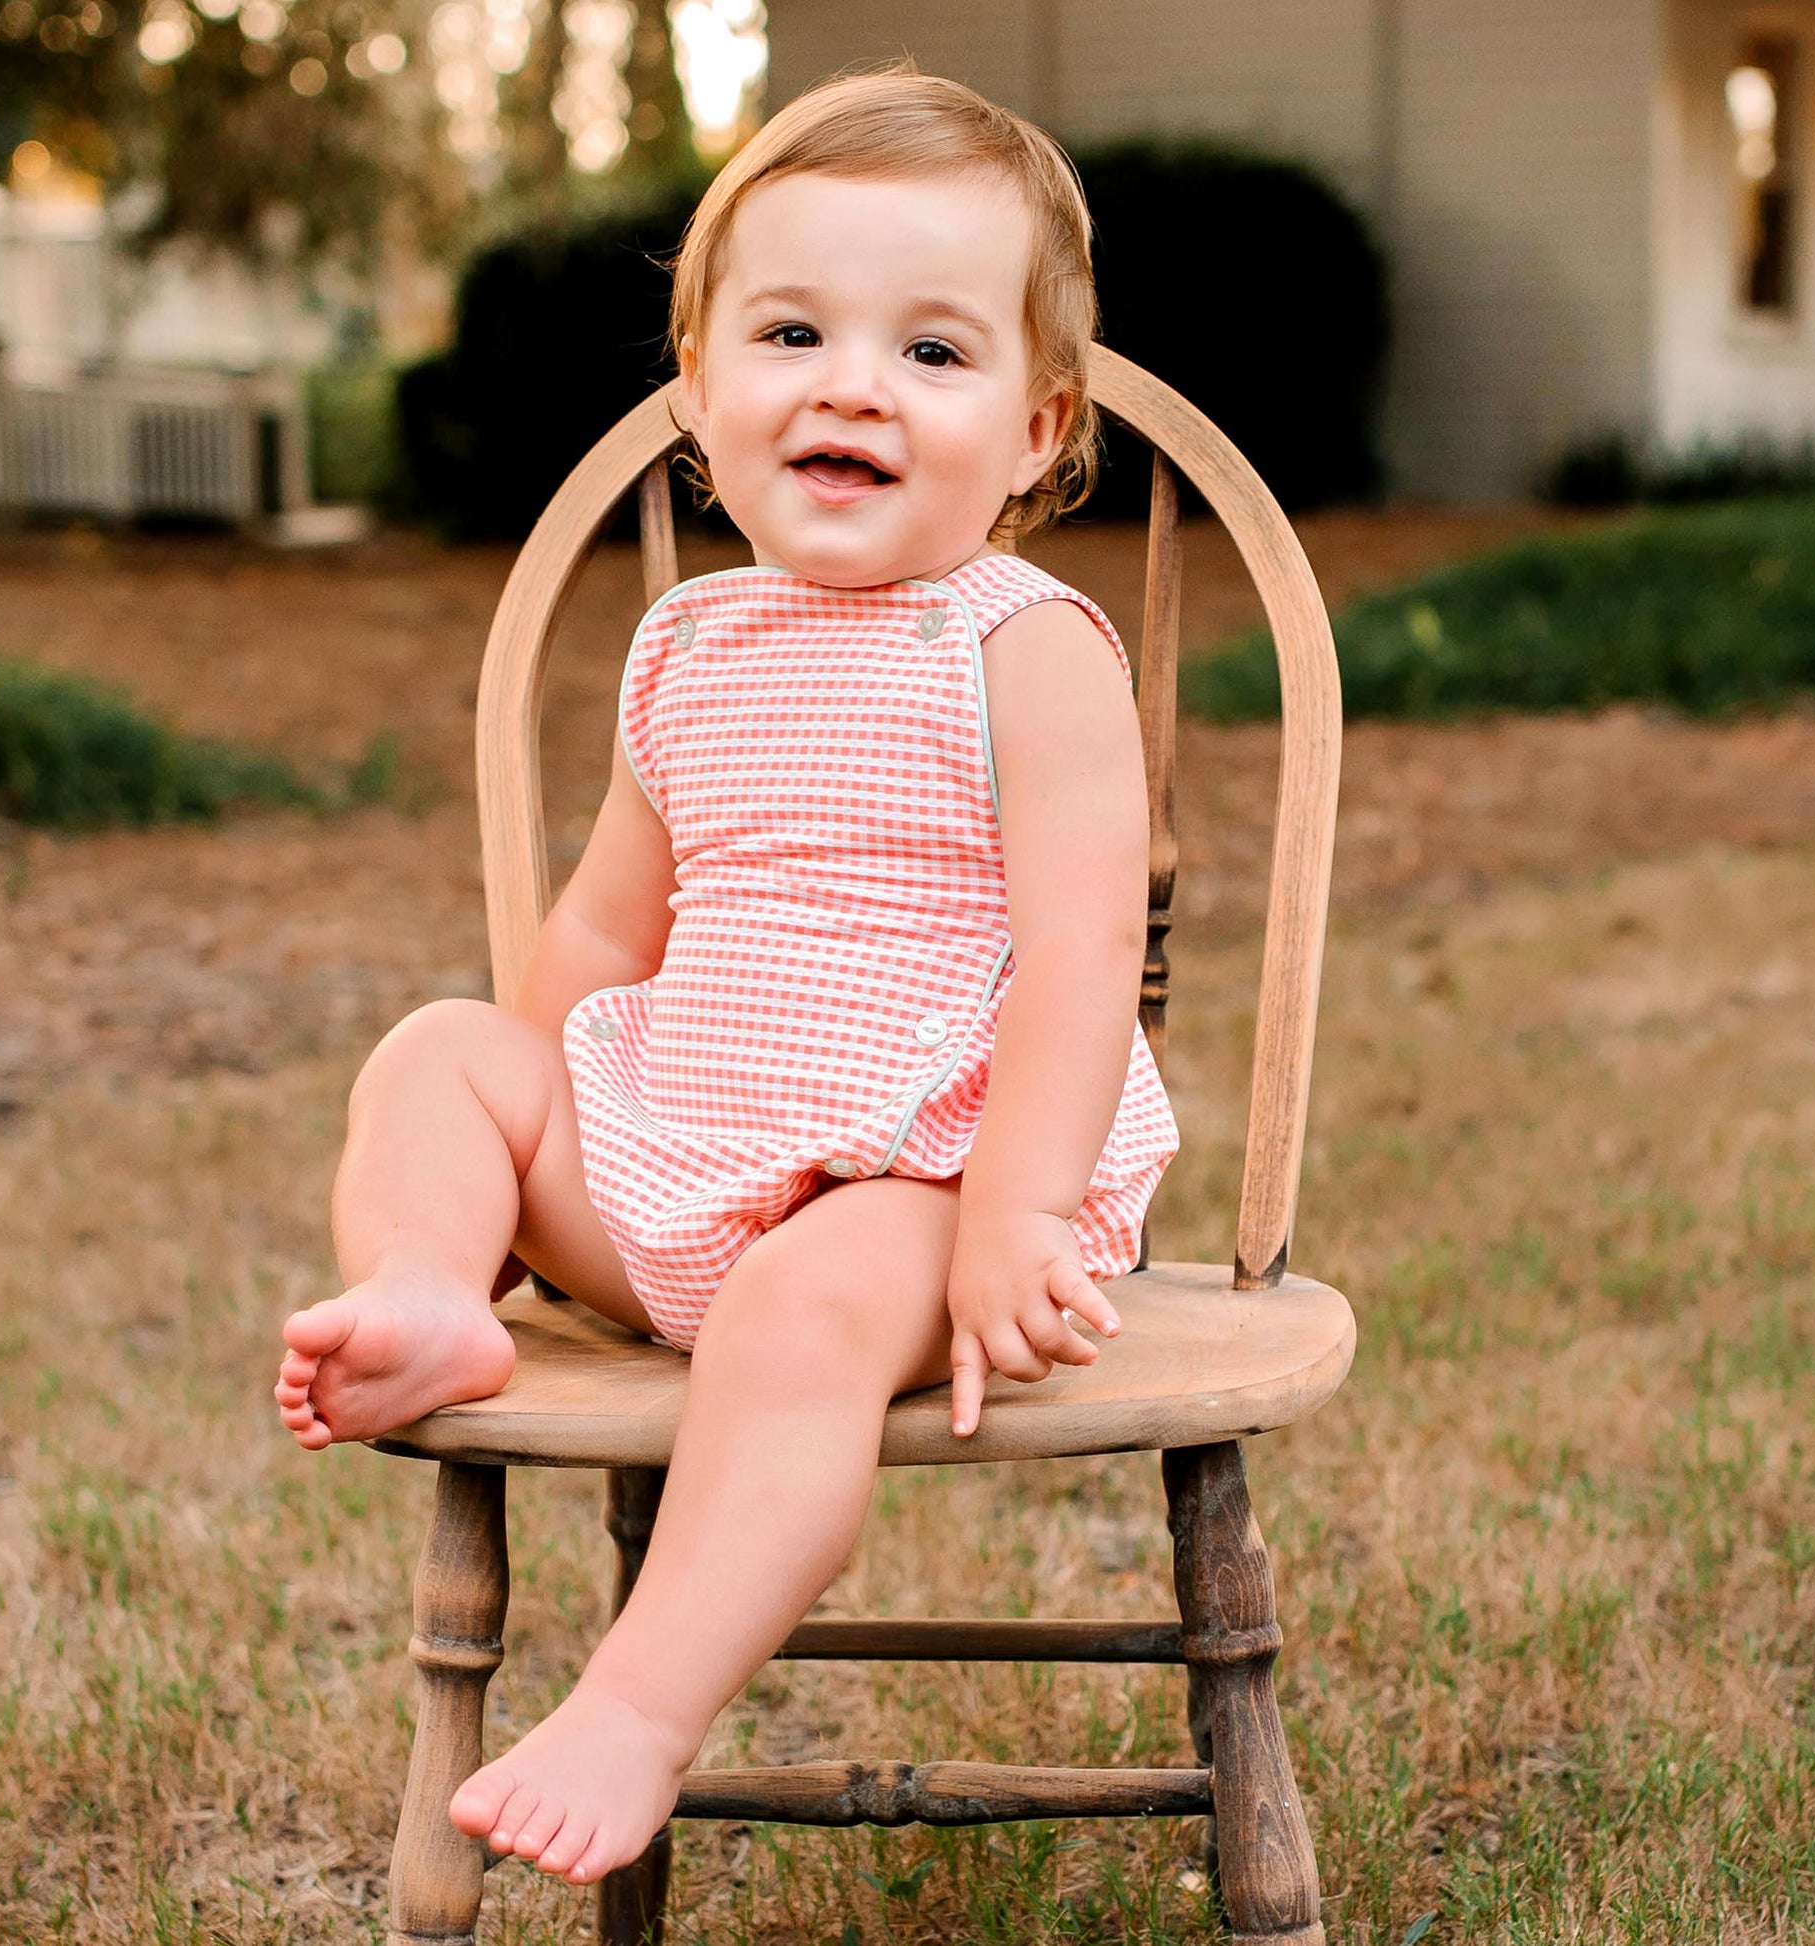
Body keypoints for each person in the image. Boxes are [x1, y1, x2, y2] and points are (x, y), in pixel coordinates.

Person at [272, 67, 1179, 1887]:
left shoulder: (1024, 646)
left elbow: (1084, 963)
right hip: (689, 1150)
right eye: (790, 332)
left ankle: (637, 1702)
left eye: (933, 354)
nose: (851, 383)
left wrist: (1013, 1209)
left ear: (1033, 432)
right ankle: (435, 1288)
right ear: (698, 389)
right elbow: (609, 935)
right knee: (444, 1046)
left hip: (928, 1179)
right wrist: (535, 1162)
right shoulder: (685, 639)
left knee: (800, 1308)